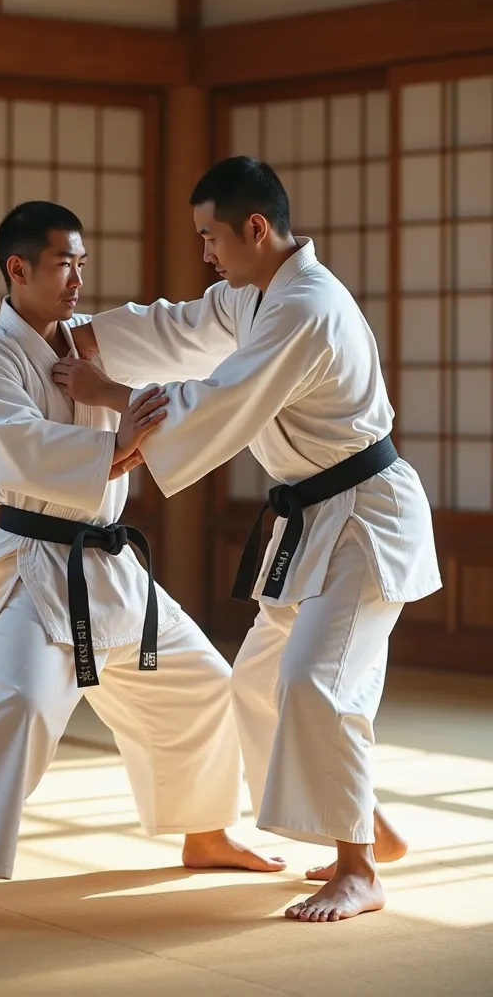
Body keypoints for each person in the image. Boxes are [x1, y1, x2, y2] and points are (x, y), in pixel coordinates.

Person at [0, 200, 285, 932]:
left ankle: (204, 831)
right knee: (17, 709)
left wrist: (258, 291)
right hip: (37, 568)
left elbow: (181, 331)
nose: (76, 278)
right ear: (18, 268)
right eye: (64, 262)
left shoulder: (93, 342)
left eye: (82, 263)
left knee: (203, 686)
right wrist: (120, 443)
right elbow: (20, 449)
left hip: (110, 565)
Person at [52, 158, 441, 923]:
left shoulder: (307, 308)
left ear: (255, 229)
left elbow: (224, 399)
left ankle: (358, 868)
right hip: (316, 520)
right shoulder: (255, 295)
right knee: (257, 685)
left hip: (366, 519)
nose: (206, 253)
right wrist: (82, 335)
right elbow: (179, 326)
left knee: (314, 683)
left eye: (211, 237)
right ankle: (363, 822)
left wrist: (110, 400)